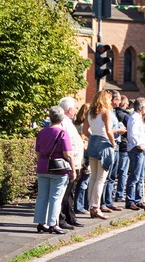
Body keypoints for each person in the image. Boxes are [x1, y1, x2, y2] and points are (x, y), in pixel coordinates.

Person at [34, 106, 76, 234]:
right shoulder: (63, 133)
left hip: (42, 167)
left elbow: (38, 153)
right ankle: (53, 223)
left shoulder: (41, 132)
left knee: (42, 196)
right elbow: (68, 154)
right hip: (58, 169)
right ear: (62, 118)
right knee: (55, 197)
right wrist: (73, 170)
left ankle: (41, 223)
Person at [83, 90, 116, 220]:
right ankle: (96, 207)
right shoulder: (106, 112)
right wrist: (113, 143)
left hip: (93, 143)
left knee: (93, 177)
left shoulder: (90, 113)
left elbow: (85, 131)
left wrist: (93, 138)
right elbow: (108, 131)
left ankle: (91, 206)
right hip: (104, 145)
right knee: (101, 179)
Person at [58, 97, 85, 229]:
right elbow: (68, 145)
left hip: (74, 162)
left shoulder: (67, 122)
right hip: (69, 163)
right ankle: (62, 218)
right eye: (74, 108)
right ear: (69, 110)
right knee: (65, 192)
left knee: (70, 193)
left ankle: (70, 217)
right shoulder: (64, 123)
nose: (75, 111)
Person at [100, 91, 126, 213]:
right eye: (118, 99)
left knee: (112, 177)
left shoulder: (114, 112)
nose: (120, 102)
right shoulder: (107, 112)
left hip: (116, 144)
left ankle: (109, 201)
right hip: (111, 145)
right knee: (107, 176)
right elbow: (108, 130)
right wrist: (119, 130)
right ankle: (103, 203)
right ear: (112, 100)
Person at [125, 97, 145, 210]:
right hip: (137, 149)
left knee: (140, 176)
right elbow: (132, 133)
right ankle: (130, 200)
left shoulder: (138, 117)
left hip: (141, 149)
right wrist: (138, 144)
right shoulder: (134, 118)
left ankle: (137, 199)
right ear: (143, 108)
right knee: (134, 175)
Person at [74, 103, 91, 214]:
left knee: (83, 181)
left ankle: (83, 204)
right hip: (85, 155)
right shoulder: (83, 126)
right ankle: (79, 206)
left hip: (81, 154)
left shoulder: (76, 124)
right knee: (84, 181)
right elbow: (83, 141)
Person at [114, 94, 131, 203]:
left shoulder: (112, 113)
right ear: (124, 104)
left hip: (115, 144)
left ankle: (110, 194)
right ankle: (119, 194)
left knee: (112, 173)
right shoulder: (126, 116)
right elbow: (131, 130)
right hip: (124, 145)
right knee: (123, 172)